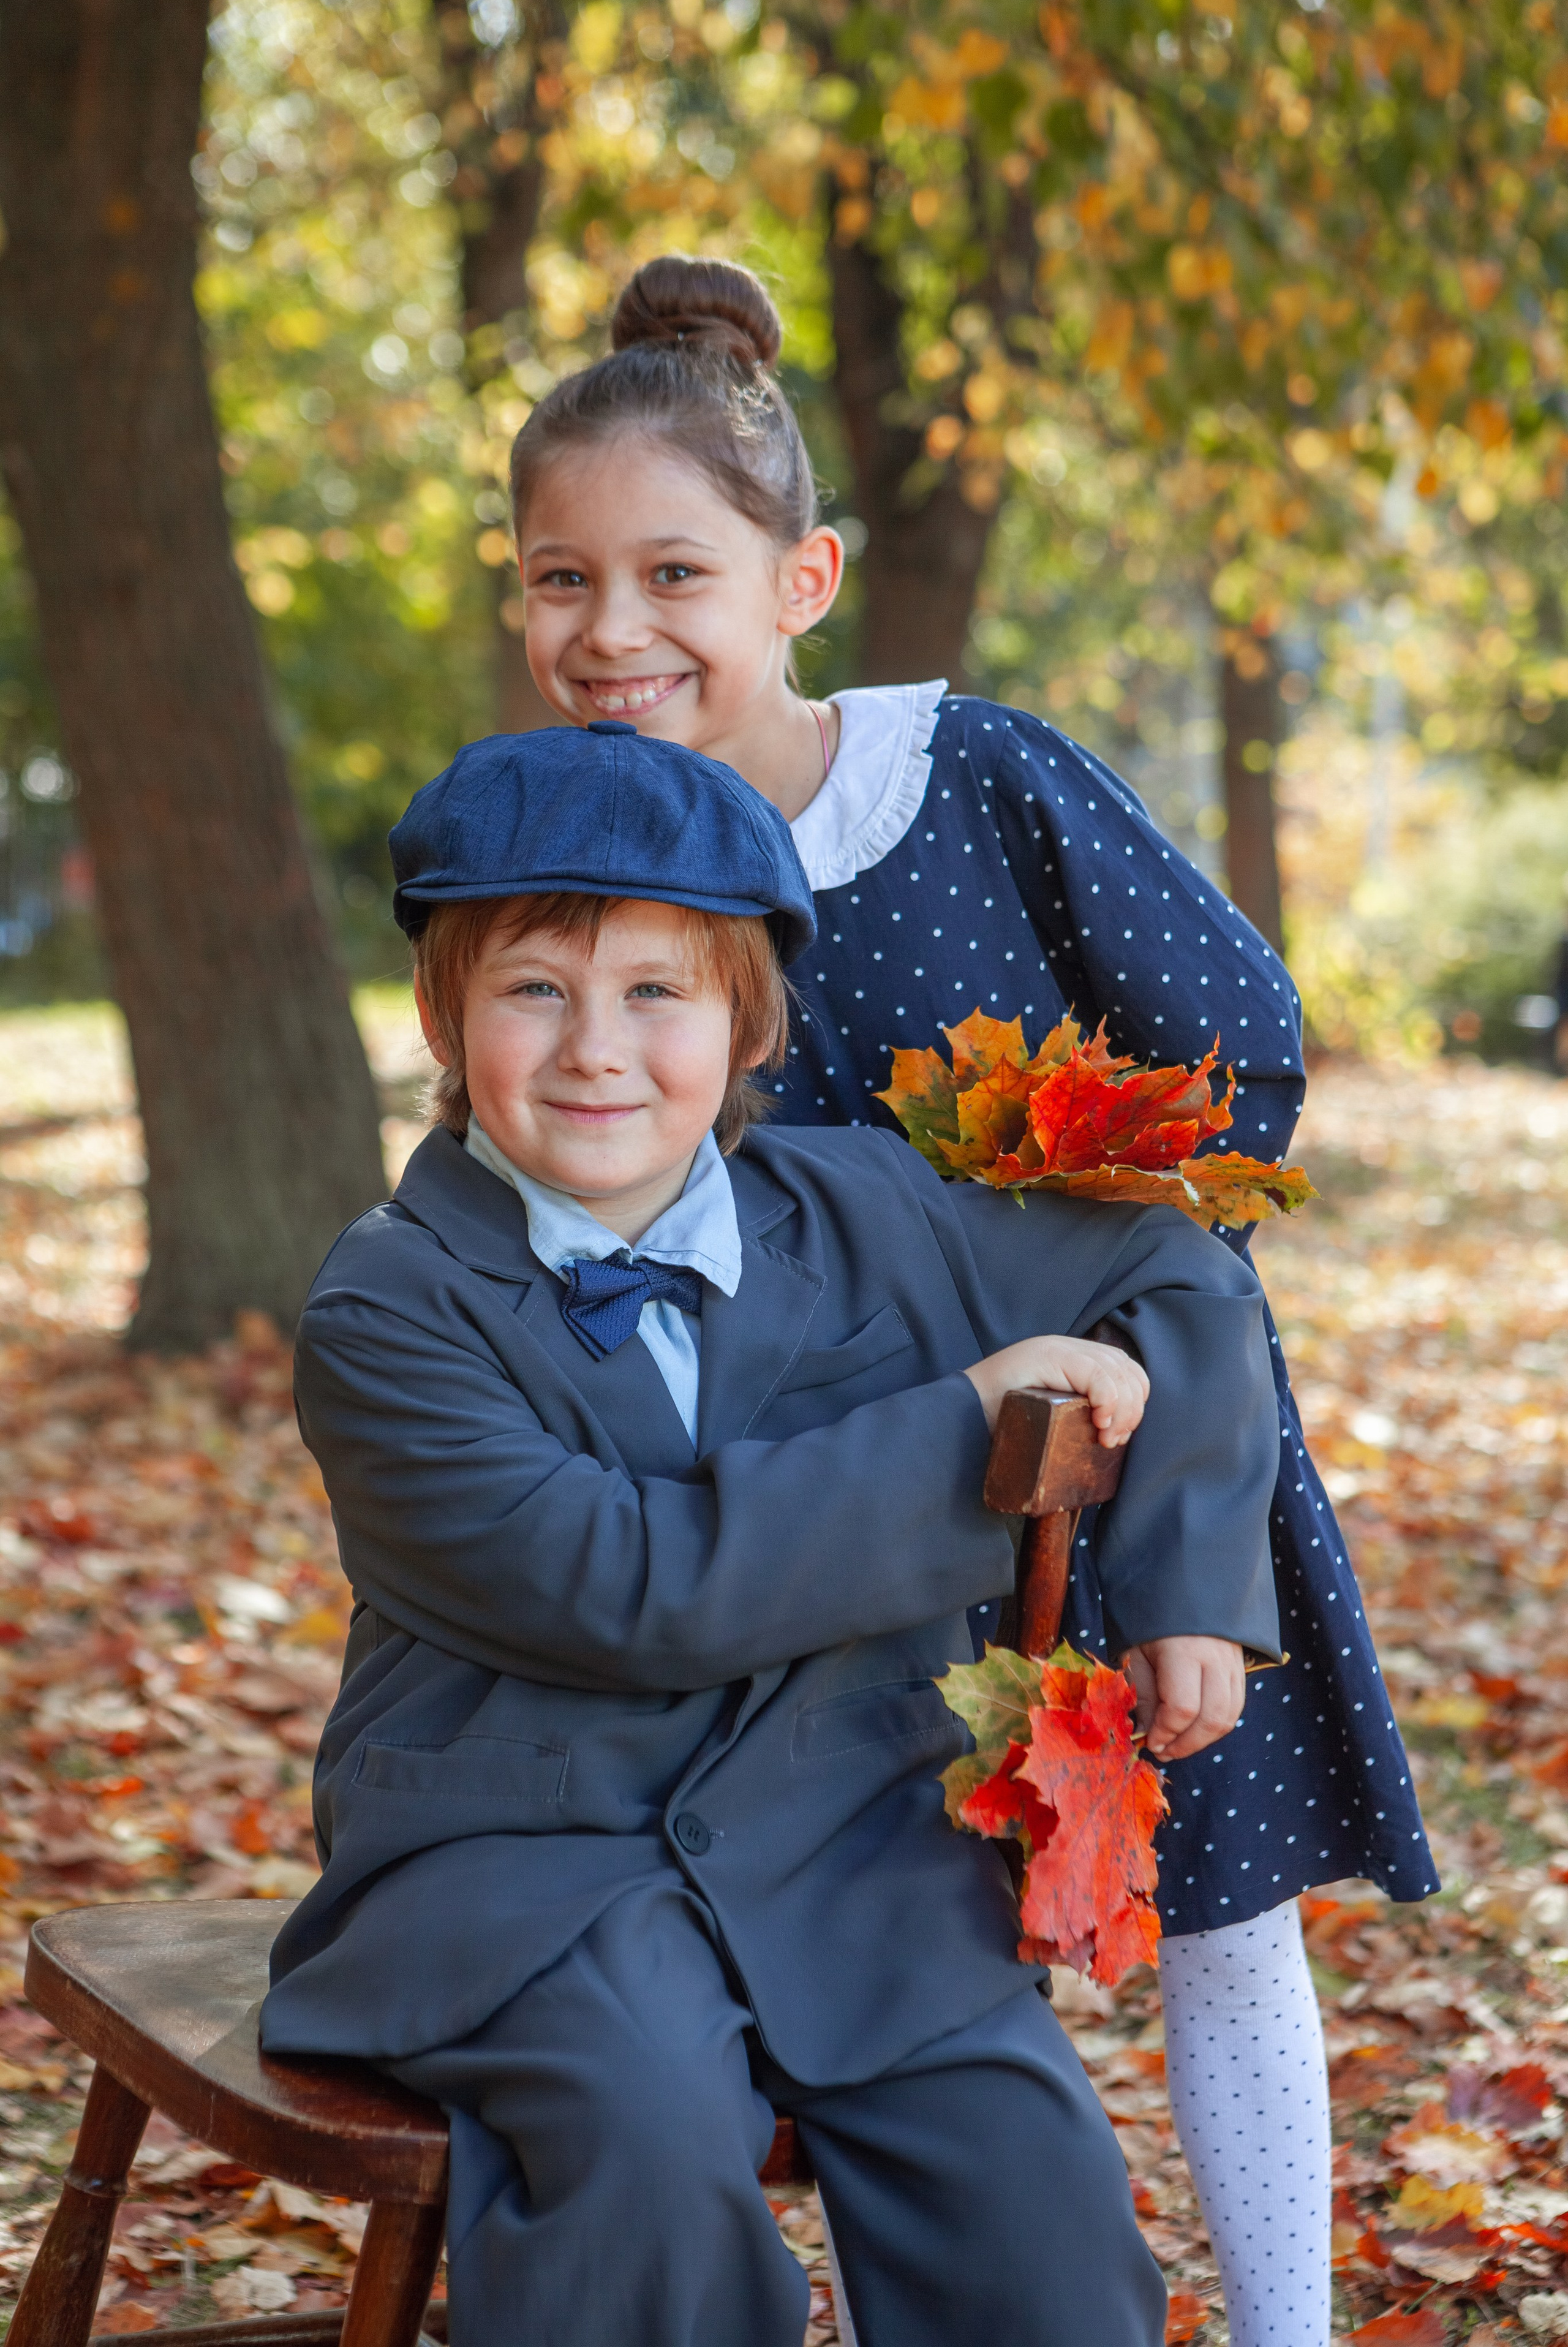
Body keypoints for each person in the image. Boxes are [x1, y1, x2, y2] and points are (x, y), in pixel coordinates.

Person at [503, 252, 1438, 2347]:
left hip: (1129, 1450)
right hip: (841, 1505)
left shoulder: (973, 781)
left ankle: (1283, 2325)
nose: (615, 629)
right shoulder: (583, 863)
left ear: (802, 577)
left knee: (1219, 1917)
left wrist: (1125, 1329)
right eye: (560, 580)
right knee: (876, 1944)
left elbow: (1239, 1049)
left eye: (672, 571)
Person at [263, 720, 1284, 2347]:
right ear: (444, 1015)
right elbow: (628, 1586)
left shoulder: (867, 1208)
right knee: (646, 2159)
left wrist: (1185, 1582)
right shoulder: (390, 1304)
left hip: (850, 1842)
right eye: (536, 988)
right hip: (530, 1860)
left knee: (1037, 2209)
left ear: (749, 1021)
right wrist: (967, 1424)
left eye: (657, 992)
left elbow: (1183, 1274)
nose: (598, 1046)